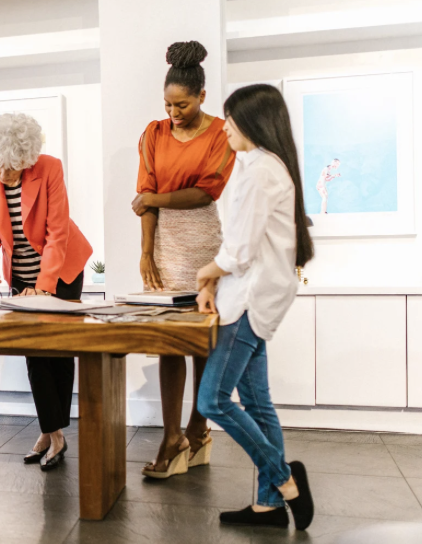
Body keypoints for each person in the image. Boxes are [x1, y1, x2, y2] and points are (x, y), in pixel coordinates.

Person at [196, 84, 315, 530]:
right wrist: (215, 281)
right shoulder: (260, 165)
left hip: (248, 300)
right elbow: (242, 243)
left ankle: (284, 481)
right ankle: (267, 507)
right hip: (252, 297)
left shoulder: (263, 169)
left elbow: (240, 250)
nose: (224, 126)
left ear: (253, 123)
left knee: (211, 400)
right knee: (258, 404)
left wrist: (205, 274)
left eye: (231, 119)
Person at [130, 41, 236, 479]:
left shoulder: (219, 133)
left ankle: (198, 428)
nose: (174, 112)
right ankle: (171, 436)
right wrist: (145, 251)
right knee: (166, 341)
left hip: (204, 242)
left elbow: (205, 193)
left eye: (183, 104)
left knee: (201, 342)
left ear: (202, 97)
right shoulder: (153, 134)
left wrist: (152, 197)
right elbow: (145, 200)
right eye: (168, 104)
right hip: (165, 245)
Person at [0, 113, 93, 471]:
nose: (3, 174)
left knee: (58, 348)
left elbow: (57, 235)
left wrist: (43, 289)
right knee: (32, 351)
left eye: (11, 168)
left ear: (26, 162)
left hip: (62, 271)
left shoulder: (49, 169)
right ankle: (52, 433)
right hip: (19, 276)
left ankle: (52, 432)